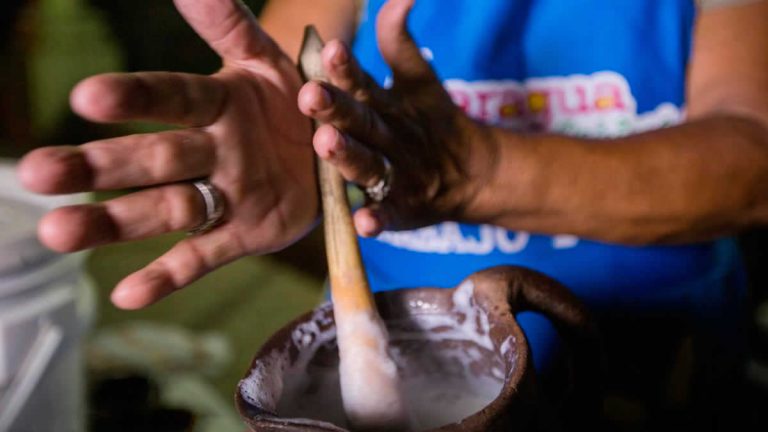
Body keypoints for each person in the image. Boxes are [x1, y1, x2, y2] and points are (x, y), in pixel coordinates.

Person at [16, 0, 768, 428]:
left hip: (656, 369)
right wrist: (273, 164)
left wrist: (476, 171)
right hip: (384, 342)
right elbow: (285, 103)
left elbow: (752, 160)